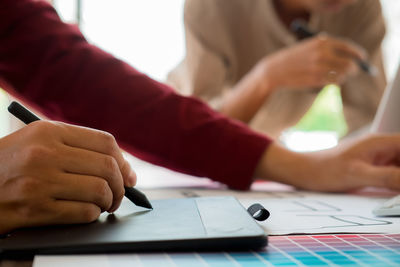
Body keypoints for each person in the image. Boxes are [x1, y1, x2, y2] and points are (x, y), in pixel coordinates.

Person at [0, 0, 399, 235]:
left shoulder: (361, 11)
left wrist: (301, 165)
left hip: (203, 154)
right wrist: (266, 79)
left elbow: (76, 75)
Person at [168, 0, 386, 138]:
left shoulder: (361, 8)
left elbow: (371, 123)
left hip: (268, 148)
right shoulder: (210, 6)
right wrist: (267, 76)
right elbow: (201, 136)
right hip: (172, 142)